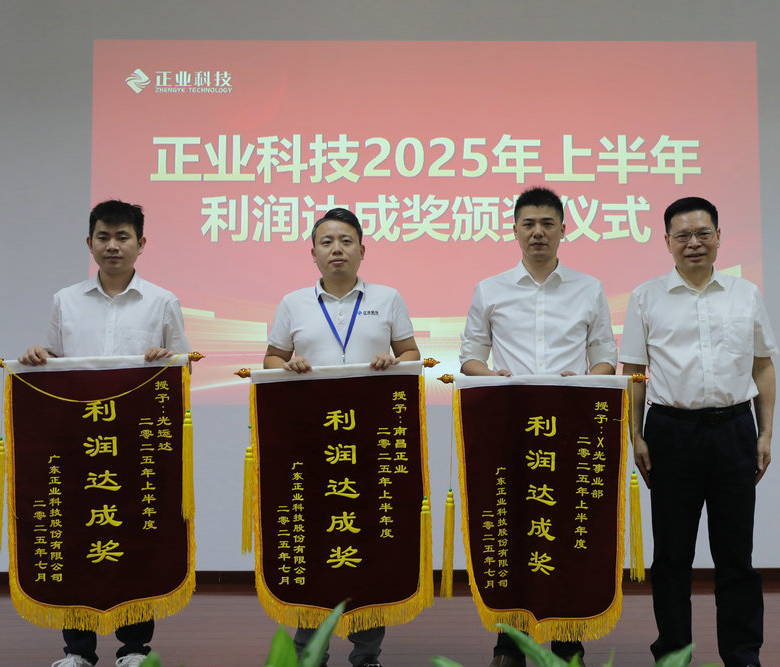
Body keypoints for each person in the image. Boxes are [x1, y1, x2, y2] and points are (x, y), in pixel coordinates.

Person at [19, 200, 190, 667]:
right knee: (77, 537)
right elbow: (55, 364)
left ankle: (134, 648)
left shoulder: (163, 301)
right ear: (89, 242)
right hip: (79, 444)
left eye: (122, 237)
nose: (112, 246)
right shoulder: (65, 300)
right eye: (103, 237)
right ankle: (78, 650)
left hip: (137, 446)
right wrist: (38, 357)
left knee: (137, 538)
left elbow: (183, 370)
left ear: (141, 243)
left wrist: (166, 359)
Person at [459, 186, 617, 667]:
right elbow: (470, 358)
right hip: (510, 429)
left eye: (548, 224)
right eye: (528, 224)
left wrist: (587, 379)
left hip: (570, 428)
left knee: (568, 529)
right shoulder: (490, 289)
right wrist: (493, 376)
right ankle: (510, 643)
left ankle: (569, 642)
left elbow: (605, 356)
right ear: (514, 230)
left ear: (564, 229)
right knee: (513, 530)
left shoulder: (589, 288)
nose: (538, 233)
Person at [619, 196, 777, 667]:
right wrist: (636, 436)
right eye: (683, 235)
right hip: (671, 433)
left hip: (734, 430)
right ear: (667, 241)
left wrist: (765, 433)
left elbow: (763, 366)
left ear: (719, 237)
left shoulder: (745, 294)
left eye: (703, 233)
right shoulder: (645, 297)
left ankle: (743, 655)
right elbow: (634, 373)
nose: (694, 243)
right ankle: (673, 654)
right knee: (672, 557)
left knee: (736, 555)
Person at [263, 207, 420, 667]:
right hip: (313, 446)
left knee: (370, 541)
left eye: (346, 241)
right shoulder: (294, 303)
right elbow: (271, 359)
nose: (337, 249)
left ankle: (367, 654)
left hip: (371, 446)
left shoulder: (387, 298)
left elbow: (412, 354)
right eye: (327, 241)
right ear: (313, 252)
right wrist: (287, 364)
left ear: (362, 251)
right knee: (314, 542)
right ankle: (308, 651)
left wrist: (395, 361)